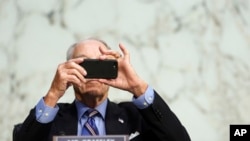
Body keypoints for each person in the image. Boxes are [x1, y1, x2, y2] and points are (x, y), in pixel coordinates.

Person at [13, 38, 191, 141]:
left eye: (100, 64)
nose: (92, 74)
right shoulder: (50, 121)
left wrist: (137, 86)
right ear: (69, 70)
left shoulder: (134, 117)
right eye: (84, 64)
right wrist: (52, 95)